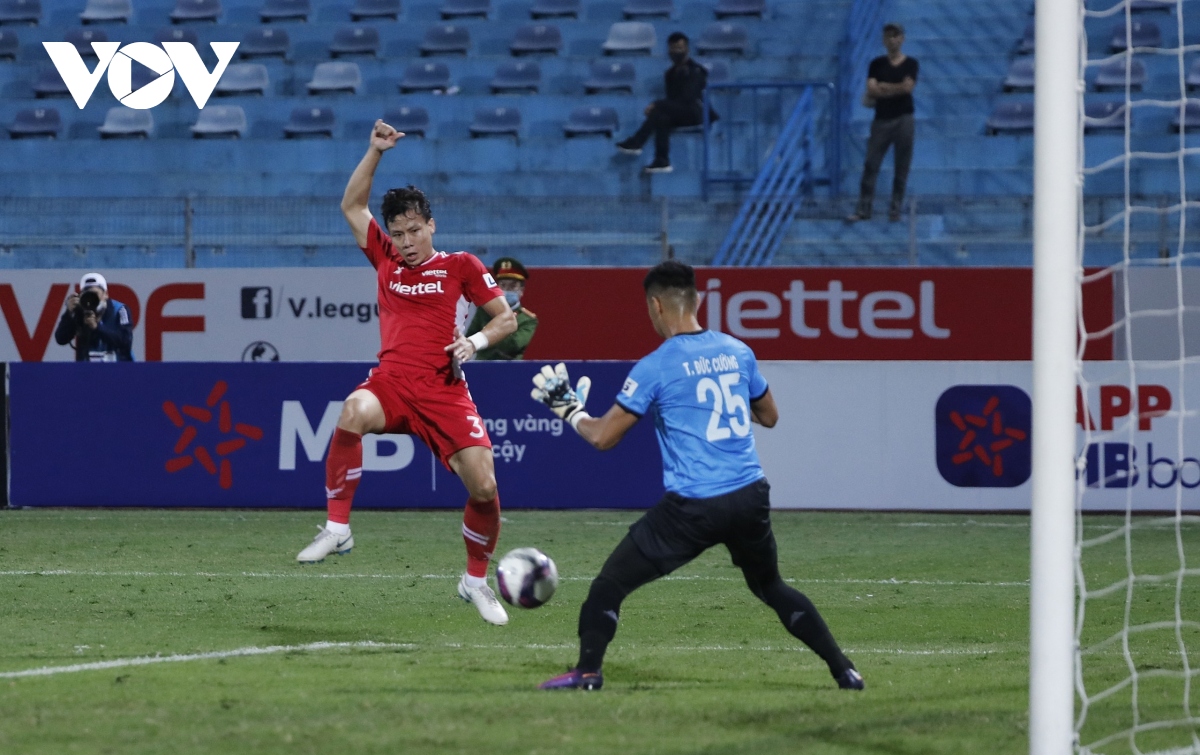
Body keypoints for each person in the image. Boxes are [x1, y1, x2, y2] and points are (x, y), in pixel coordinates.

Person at [530, 260, 864, 691]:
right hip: (749, 496)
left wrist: (567, 408)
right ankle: (844, 670)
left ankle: (588, 672)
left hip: (694, 506)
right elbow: (770, 416)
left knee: (609, 585)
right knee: (772, 587)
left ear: (655, 305)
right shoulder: (737, 351)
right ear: (698, 300)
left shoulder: (656, 365)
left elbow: (603, 438)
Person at [296, 119, 518, 627]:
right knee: (352, 409)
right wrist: (374, 152)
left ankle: (475, 581)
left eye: (414, 231)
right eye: (397, 234)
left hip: (444, 388)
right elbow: (352, 207)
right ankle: (337, 528)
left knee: (484, 487)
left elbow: (506, 317)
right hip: (393, 383)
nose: (406, 242)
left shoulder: (460, 264)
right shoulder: (385, 259)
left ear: (432, 226)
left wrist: (475, 341)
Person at [846, 22, 919, 224]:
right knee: (871, 164)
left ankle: (895, 209)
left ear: (902, 39)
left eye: (896, 35)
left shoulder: (911, 63)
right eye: (888, 36)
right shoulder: (876, 64)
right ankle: (864, 208)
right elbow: (872, 90)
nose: (892, 40)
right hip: (881, 120)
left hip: (904, 118)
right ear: (883, 40)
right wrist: (894, 88)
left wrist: (884, 87)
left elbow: (908, 89)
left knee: (901, 166)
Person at [615, 31, 710, 175]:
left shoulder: (697, 71)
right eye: (673, 48)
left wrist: (657, 104)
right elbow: (672, 99)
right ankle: (662, 160)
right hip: (678, 113)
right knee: (660, 117)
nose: (676, 52)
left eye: (679, 48)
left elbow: (688, 98)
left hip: (694, 112)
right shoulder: (669, 74)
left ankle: (637, 141)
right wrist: (660, 107)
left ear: (687, 49)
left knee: (659, 108)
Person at [464, 257, 538, 361]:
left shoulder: (527, 319)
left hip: (511, 368)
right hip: (483, 366)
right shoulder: (484, 311)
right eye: (503, 286)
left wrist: (489, 331)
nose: (507, 290)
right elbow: (470, 337)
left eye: (512, 286)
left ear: (521, 290)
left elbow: (514, 345)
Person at [54, 272, 134, 361]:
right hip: (88, 369)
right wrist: (68, 313)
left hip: (119, 367)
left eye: (95, 293)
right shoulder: (80, 311)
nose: (91, 298)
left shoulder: (120, 310)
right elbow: (61, 339)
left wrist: (97, 328)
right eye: (87, 294)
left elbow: (126, 342)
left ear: (105, 294)